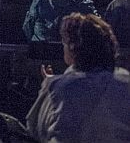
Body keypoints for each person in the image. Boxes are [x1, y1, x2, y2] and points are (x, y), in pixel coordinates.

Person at [26, 13, 130, 142]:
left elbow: (35, 129)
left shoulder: (57, 87)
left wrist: (52, 85)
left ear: (72, 47)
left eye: (64, 43)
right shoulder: (126, 81)